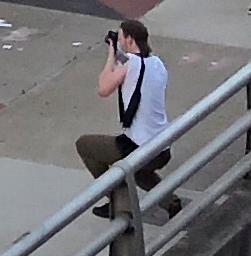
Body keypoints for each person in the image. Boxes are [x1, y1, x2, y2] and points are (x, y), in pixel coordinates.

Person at [77, 16, 181, 216]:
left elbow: (103, 88)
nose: (120, 41)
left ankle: (118, 200)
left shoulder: (130, 63)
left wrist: (110, 54)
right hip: (162, 146)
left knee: (85, 145)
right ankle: (171, 202)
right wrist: (117, 50)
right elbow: (134, 65)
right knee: (140, 171)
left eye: (122, 37)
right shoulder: (157, 63)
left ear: (130, 39)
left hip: (139, 146)